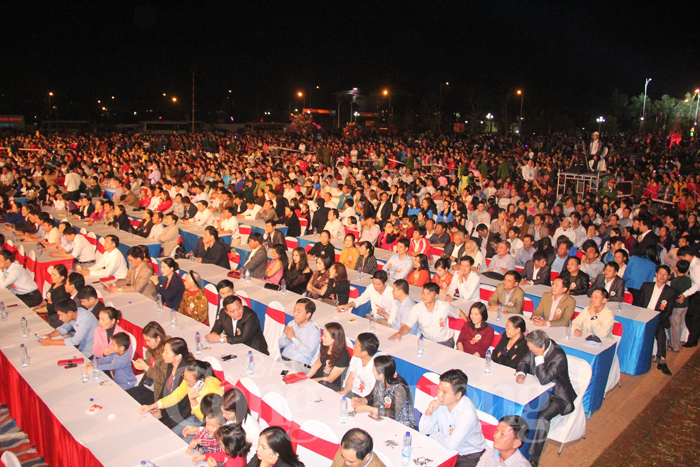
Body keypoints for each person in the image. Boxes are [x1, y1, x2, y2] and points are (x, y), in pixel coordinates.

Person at [516, 330, 577, 466]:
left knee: (542, 417)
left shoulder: (558, 356)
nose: (529, 349)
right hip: (537, 390)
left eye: (531, 347)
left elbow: (544, 379)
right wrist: (521, 373)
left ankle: (534, 456)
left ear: (541, 347)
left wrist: (539, 357)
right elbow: (524, 362)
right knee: (524, 406)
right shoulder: (534, 346)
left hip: (558, 395)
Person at [139, 359, 224, 439]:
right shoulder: (189, 381)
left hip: (208, 424)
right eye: (184, 377)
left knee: (181, 441)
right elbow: (174, 397)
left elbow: (204, 418)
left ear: (201, 381)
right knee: (171, 436)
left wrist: (193, 401)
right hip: (194, 416)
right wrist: (153, 406)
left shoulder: (213, 390)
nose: (186, 383)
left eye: (189, 380)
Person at [419, 369, 487, 467]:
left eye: (444, 392)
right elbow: (423, 431)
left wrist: (434, 435)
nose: (439, 394)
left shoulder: (467, 413)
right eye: (439, 389)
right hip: (445, 448)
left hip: (468, 456)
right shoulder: (439, 401)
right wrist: (428, 413)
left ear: (458, 395)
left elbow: (451, 445)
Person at [390, 282, 468, 347]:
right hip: (427, 341)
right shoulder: (417, 308)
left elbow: (460, 312)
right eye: (423, 292)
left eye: (428, 293)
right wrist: (400, 332)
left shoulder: (445, 306)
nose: (424, 295)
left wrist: (468, 328)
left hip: (445, 342)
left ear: (436, 296)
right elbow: (407, 326)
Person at [352, 355, 416, 429]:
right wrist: (362, 400)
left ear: (381, 375)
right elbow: (373, 396)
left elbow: (392, 413)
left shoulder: (399, 389)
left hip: (402, 424)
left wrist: (369, 409)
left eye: (374, 369)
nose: (372, 370)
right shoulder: (381, 379)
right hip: (386, 420)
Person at [634, 265, 676, 375]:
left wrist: (656, 320)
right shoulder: (646, 286)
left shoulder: (670, 292)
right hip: (643, 316)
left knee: (661, 332)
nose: (662, 276)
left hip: (658, 319)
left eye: (665, 274)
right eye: (660, 273)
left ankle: (662, 360)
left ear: (668, 277)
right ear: (656, 274)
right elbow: (638, 303)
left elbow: (668, 311)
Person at [128, 321, 169, 405]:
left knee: (132, 404)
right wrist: (143, 362)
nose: (147, 343)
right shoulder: (152, 349)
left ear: (158, 338)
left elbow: (162, 378)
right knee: (124, 396)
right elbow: (152, 363)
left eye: (148, 340)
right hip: (145, 385)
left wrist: (146, 368)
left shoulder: (167, 354)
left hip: (156, 393)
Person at [278, 298, 321, 373]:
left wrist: (294, 338)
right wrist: (288, 338)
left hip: (298, 365)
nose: (295, 314)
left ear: (308, 315)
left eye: (298, 312)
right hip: (282, 360)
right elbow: (279, 344)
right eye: (294, 310)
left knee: (278, 377)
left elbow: (308, 353)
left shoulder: (313, 331)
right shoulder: (292, 323)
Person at [307, 322, 351, 391]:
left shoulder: (343, 356)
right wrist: (307, 376)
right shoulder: (324, 346)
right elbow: (318, 362)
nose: (322, 337)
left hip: (330, 385)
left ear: (334, 338)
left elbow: (330, 379)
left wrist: (311, 381)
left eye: (325, 336)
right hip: (318, 378)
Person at [341, 332, 380, 399]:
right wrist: (344, 392)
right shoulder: (356, 357)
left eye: (356, 347)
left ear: (364, 353)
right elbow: (351, 377)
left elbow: (373, 395)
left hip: (363, 398)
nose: (353, 347)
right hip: (351, 392)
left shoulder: (374, 369)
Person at [32, 263, 70, 328]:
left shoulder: (62, 291)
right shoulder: (54, 285)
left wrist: (38, 310)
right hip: (49, 313)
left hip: (56, 316)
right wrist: (40, 306)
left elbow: (53, 308)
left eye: (54, 275)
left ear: (62, 277)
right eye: (52, 274)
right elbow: (48, 298)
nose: (52, 276)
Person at [669, 259, 691, 352]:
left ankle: (675, 346)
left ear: (676, 268)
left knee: (674, 326)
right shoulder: (688, 280)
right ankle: (676, 343)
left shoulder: (674, 281)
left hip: (676, 306)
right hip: (685, 305)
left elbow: (671, 294)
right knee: (680, 325)